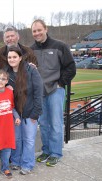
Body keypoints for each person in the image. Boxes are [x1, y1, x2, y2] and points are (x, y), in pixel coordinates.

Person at [31, 19, 76, 167]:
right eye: (34, 31)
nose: (37, 33)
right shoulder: (31, 50)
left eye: (39, 30)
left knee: (56, 123)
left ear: (46, 29)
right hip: (40, 92)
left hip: (55, 90)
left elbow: (71, 67)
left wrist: (60, 83)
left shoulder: (60, 46)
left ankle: (56, 153)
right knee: (43, 124)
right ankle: (46, 150)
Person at [6, 46, 43, 175]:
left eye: (14, 57)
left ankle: (27, 164)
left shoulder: (31, 70)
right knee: (16, 139)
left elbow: (39, 92)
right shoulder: (6, 74)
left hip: (30, 112)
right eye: (9, 57)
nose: (12, 59)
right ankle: (15, 161)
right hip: (15, 113)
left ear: (20, 57)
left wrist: (36, 112)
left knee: (29, 139)